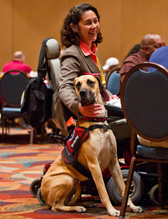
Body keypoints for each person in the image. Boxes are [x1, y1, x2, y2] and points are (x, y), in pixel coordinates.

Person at [58, 3, 119, 122]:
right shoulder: (72, 54)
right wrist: (79, 108)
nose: (94, 26)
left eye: (95, 21)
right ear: (74, 27)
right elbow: (65, 87)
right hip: (90, 115)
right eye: (88, 23)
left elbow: (98, 85)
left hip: (103, 106)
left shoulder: (92, 51)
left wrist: (109, 95)